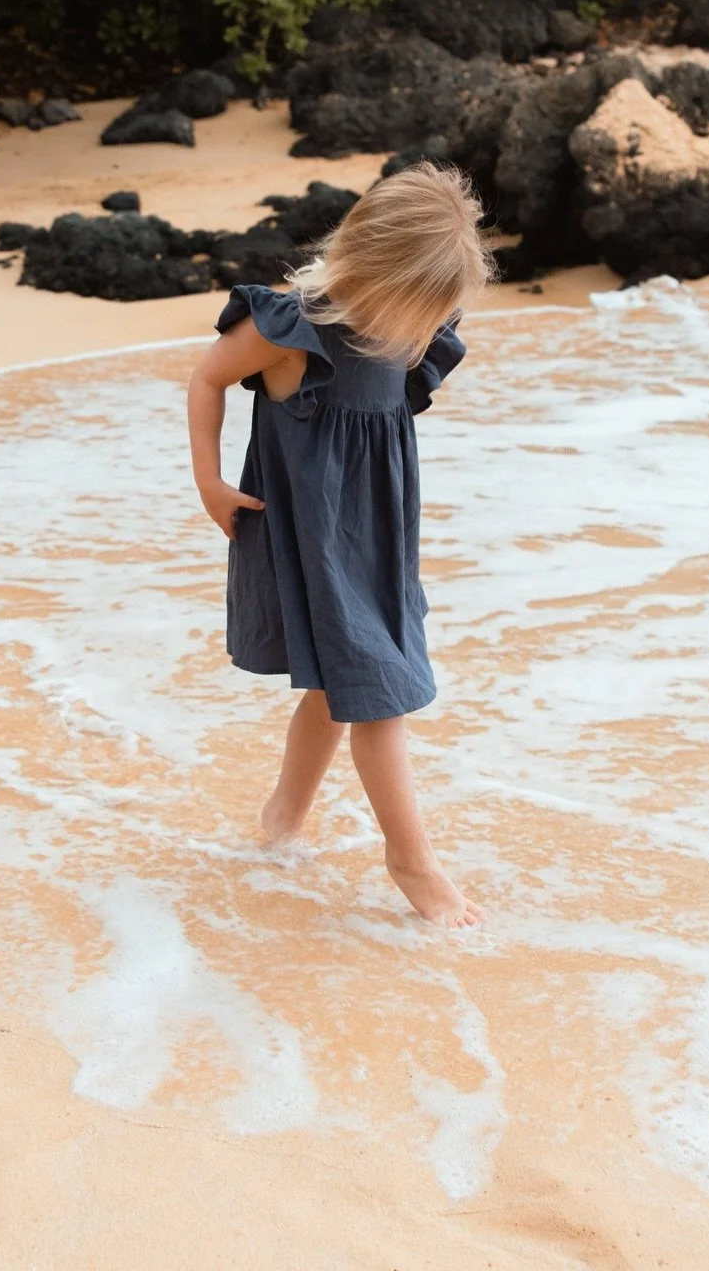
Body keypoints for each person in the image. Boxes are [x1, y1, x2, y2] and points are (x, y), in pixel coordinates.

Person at [187, 163, 494, 927]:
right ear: (373, 271)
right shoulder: (293, 330)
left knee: (332, 692)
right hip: (319, 542)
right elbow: (205, 379)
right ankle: (412, 863)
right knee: (379, 698)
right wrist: (211, 483)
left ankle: (281, 822)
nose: (427, 325)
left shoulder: (410, 330)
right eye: (420, 305)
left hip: (379, 542)